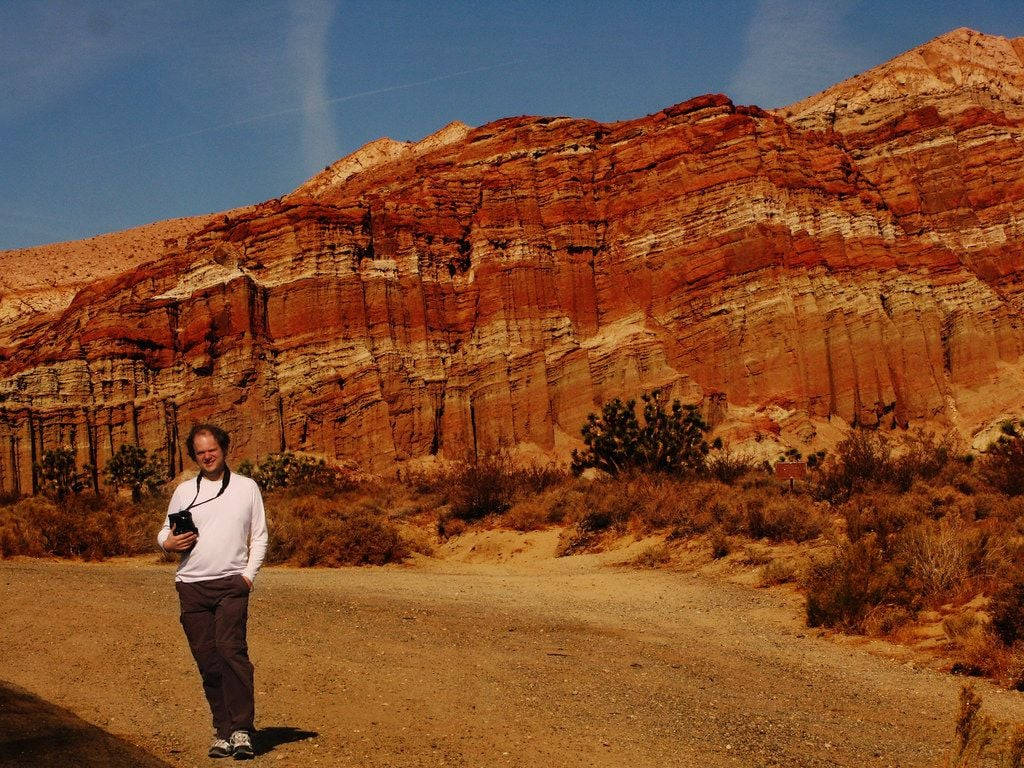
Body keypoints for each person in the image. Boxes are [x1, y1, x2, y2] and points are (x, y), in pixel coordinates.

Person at [158, 424, 268, 760]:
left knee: (231, 652)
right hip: (191, 586)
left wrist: (247, 576)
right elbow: (165, 530)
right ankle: (222, 730)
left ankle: (242, 730)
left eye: (213, 449)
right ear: (194, 455)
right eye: (201, 451)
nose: (207, 455)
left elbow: (260, 535)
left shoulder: (247, 488)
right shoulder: (184, 491)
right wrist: (167, 543)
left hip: (230, 585)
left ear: (223, 448)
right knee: (207, 660)